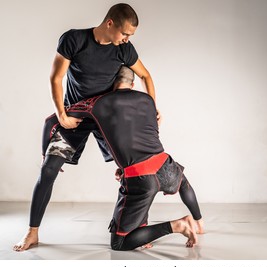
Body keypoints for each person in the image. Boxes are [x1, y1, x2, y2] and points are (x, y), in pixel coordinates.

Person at [14, 3, 158, 251]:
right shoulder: (74, 39)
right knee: (48, 170)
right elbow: (56, 77)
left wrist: (150, 109)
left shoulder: (124, 50)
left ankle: (139, 225)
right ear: (110, 23)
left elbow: (145, 76)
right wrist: (62, 116)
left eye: (130, 37)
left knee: (135, 169)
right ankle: (32, 232)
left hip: (108, 121)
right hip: (76, 118)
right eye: (124, 34)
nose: (126, 40)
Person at [43, 66, 204, 249]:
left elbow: (51, 121)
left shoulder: (98, 103)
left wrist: (44, 153)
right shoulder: (149, 100)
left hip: (142, 178)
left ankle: (177, 225)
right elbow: (138, 133)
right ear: (133, 84)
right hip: (166, 165)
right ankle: (199, 223)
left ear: (111, 82)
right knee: (183, 183)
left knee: (119, 243)